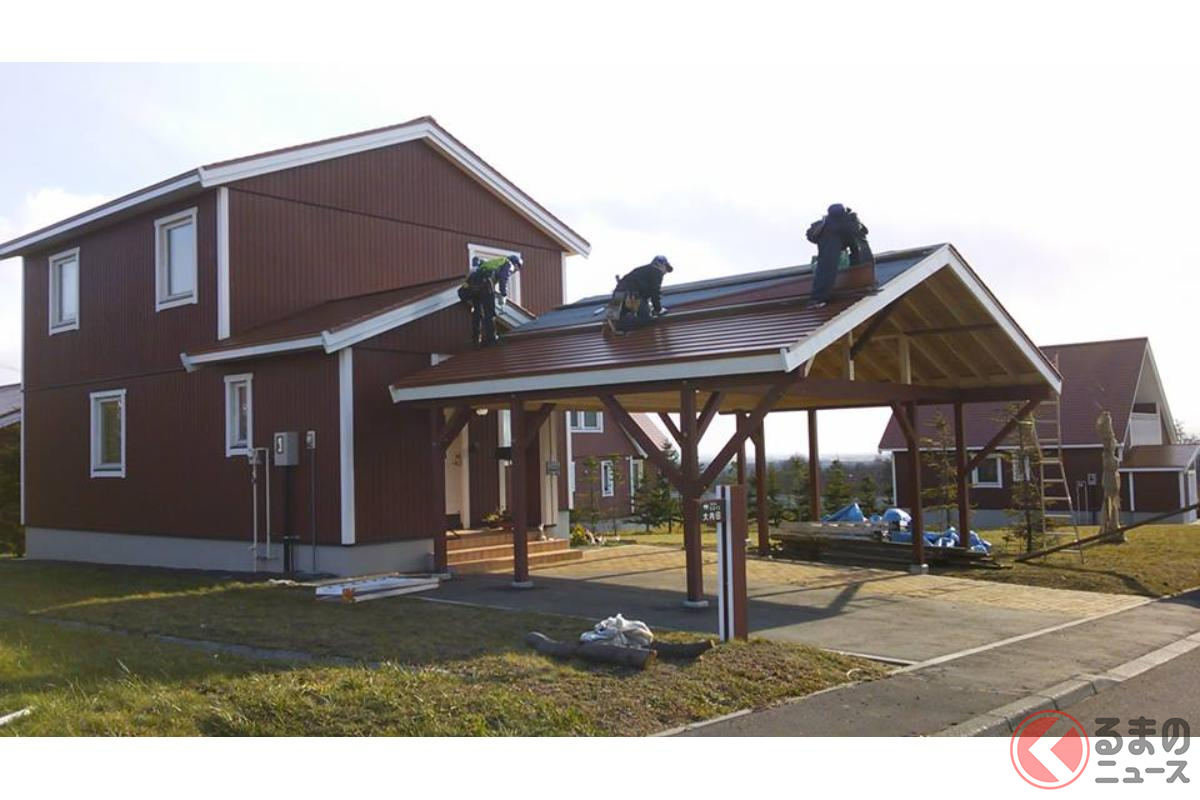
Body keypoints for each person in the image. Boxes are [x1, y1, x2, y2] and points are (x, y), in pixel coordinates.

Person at [805, 204, 873, 308]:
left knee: (828, 262)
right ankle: (863, 281)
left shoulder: (833, 225)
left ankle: (818, 297)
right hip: (837, 234)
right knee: (830, 260)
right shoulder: (848, 223)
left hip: (837, 234)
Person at [458, 254, 521, 345]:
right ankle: (491, 338)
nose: (515, 271)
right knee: (489, 312)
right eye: (517, 269)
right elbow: (503, 278)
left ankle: (476, 339)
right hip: (486, 285)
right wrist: (503, 294)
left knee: (478, 312)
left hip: (474, 287)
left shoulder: (492, 263)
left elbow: (476, 262)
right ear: (515, 264)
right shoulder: (508, 264)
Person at [603, 255, 673, 335]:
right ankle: (618, 325)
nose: (665, 272)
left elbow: (625, 282)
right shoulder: (656, 272)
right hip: (632, 294)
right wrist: (658, 309)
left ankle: (611, 320)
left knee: (615, 315)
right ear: (660, 264)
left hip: (618, 293)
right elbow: (655, 292)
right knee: (645, 319)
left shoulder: (640, 270)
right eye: (666, 268)